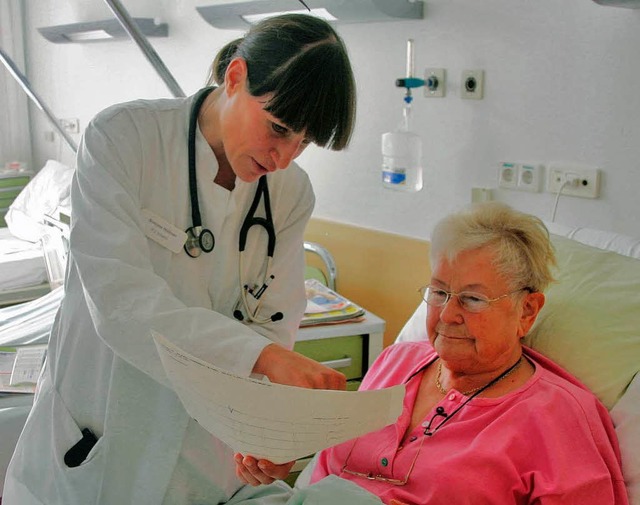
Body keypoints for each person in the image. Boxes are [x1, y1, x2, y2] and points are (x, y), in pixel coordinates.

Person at [4, 13, 356, 505]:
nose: (283, 158)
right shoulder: (125, 138)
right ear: (235, 77)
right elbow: (121, 303)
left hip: (204, 455)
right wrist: (261, 357)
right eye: (277, 128)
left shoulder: (290, 193)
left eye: (303, 143)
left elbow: (274, 321)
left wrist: (266, 434)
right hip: (102, 425)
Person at [235, 202, 628, 505]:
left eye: (473, 299)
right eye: (439, 292)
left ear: (526, 311)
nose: (448, 315)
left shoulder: (560, 416)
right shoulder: (397, 363)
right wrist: (279, 459)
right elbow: (324, 472)